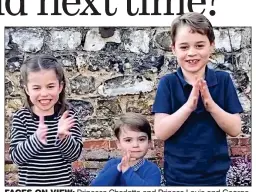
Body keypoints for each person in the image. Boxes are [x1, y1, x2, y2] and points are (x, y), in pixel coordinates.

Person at [152, 12, 243, 186]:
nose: (192, 53)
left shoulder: (223, 80)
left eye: (199, 45)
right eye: (184, 47)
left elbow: (235, 129)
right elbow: (161, 132)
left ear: (211, 46)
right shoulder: (168, 83)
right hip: (177, 177)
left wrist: (211, 106)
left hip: (216, 176)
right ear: (173, 49)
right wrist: (188, 107)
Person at [9, 55, 83, 186]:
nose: (44, 93)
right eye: (36, 88)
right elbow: (16, 158)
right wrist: (36, 139)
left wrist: (63, 138)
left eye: (50, 86)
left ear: (60, 87)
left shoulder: (68, 116)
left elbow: (73, 156)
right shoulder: (21, 118)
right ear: (27, 89)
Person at [91, 113, 161, 186]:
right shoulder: (112, 165)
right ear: (119, 144)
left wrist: (127, 171)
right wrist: (118, 168)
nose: (135, 145)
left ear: (149, 143)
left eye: (141, 139)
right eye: (128, 140)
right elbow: (96, 186)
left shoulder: (152, 170)